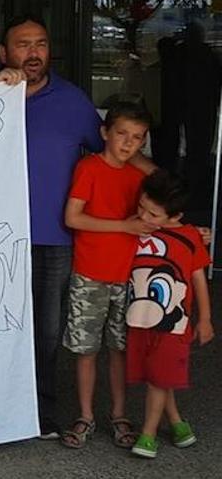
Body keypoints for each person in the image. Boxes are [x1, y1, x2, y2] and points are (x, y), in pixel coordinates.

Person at [0, 15, 156, 440]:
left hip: (53, 241)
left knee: (47, 332)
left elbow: (118, 152)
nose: (32, 53)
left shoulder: (72, 102)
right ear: (3, 52)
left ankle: (40, 412)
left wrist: (167, 193)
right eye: (22, 45)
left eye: (40, 44)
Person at [59, 102, 156, 449]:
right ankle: (85, 415)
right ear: (104, 133)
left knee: (120, 349)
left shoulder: (141, 176)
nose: (129, 144)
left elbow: (164, 209)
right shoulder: (89, 168)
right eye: (122, 135)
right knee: (86, 350)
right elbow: (73, 218)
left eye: (138, 138)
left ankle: (119, 414)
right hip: (89, 275)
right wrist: (123, 226)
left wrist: (191, 232)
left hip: (128, 277)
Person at [126, 170, 213, 458]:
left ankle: (148, 434)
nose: (144, 217)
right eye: (141, 207)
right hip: (139, 319)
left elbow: (198, 278)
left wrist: (205, 319)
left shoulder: (189, 237)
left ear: (174, 217)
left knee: (159, 378)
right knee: (158, 375)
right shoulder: (134, 228)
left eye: (153, 214)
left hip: (175, 324)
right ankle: (176, 422)